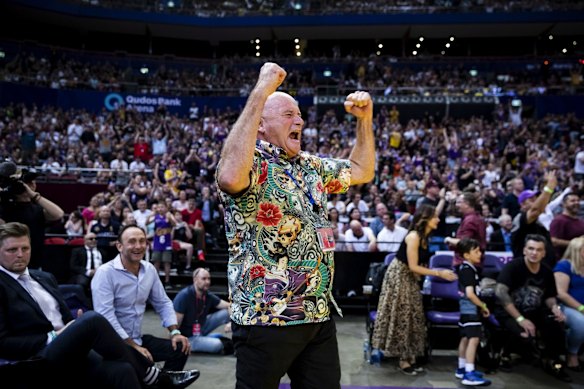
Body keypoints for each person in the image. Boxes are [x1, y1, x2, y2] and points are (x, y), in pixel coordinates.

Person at [216, 62, 375, 389]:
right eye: (288, 114)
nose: (299, 120)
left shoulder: (310, 166)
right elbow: (229, 177)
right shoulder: (253, 164)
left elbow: (362, 170)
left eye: (299, 114)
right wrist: (262, 90)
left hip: (317, 314)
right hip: (267, 316)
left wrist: (365, 121)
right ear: (261, 124)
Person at [0, 222, 199, 389]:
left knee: (124, 370)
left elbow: (163, 302)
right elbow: (3, 343)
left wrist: (74, 325)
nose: (20, 254)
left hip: (75, 347)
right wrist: (54, 336)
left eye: (25, 248)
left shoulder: (44, 277)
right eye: (12, 250)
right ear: (119, 246)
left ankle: (153, 376)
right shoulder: (2, 284)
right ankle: (155, 376)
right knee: (94, 319)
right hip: (37, 356)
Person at [91, 224, 194, 374]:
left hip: (137, 339)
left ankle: (163, 383)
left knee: (181, 348)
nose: (138, 246)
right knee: (140, 367)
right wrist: (133, 347)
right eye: (132, 241)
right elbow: (105, 316)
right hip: (113, 344)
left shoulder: (149, 269)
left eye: (142, 241)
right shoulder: (105, 273)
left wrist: (174, 332)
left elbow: (162, 302)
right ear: (119, 246)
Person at [371, 205, 457, 375]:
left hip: (410, 278)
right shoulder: (413, 236)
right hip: (400, 277)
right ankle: (404, 360)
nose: (438, 220)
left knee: (413, 316)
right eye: (435, 217)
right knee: (403, 316)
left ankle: (410, 356)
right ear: (425, 219)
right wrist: (440, 273)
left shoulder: (425, 236)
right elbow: (413, 266)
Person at [494, 234, 570, 382]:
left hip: (534, 310)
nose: (534, 253)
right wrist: (520, 319)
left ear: (544, 253)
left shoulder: (547, 272)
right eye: (531, 249)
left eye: (538, 250)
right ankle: (505, 354)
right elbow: (500, 293)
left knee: (556, 324)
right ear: (524, 250)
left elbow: (549, 297)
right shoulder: (513, 267)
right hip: (509, 312)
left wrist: (555, 308)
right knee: (524, 334)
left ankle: (552, 361)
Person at [0, 170, 64, 269]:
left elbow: (58, 214)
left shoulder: (37, 209)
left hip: (34, 260)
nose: (29, 185)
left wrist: (33, 195)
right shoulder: (5, 208)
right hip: (9, 261)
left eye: (32, 183)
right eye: (26, 183)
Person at [455, 238, 492, 386]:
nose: (480, 253)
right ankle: (469, 373)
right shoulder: (468, 270)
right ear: (466, 255)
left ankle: (462, 368)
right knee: (474, 339)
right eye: (476, 251)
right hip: (470, 309)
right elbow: (470, 293)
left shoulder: (466, 268)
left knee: (465, 338)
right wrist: (483, 306)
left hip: (465, 309)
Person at [173, 268, 232, 354]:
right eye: (204, 279)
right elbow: (174, 324)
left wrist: (231, 322)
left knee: (226, 313)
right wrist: (175, 340)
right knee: (217, 344)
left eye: (209, 279)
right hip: (187, 337)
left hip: (200, 328)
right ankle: (206, 340)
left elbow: (230, 306)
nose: (207, 282)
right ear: (195, 280)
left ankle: (238, 341)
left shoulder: (207, 295)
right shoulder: (184, 296)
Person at [510, 171, 558, 267]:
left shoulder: (537, 220)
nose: (536, 201)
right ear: (522, 204)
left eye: (537, 198)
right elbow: (536, 210)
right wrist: (549, 189)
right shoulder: (521, 217)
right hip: (526, 270)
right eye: (532, 200)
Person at [553, 237, 584, 372]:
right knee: (580, 323)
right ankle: (572, 353)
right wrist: (581, 308)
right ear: (577, 250)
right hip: (567, 306)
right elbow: (561, 293)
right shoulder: (564, 266)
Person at [444, 191, 487, 267]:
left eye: (459, 202)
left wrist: (449, 240)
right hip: (474, 262)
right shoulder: (477, 218)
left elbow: (465, 243)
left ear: (467, 204)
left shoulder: (470, 220)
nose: (457, 205)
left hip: (466, 262)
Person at [68, 231, 107, 297]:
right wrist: (88, 272)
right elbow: (73, 266)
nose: (94, 240)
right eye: (91, 239)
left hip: (100, 274)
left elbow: (107, 265)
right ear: (85, 241)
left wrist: (99, 271)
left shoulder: (102, 252)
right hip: (84, 273)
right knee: (81, 282)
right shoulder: (77, 251)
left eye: (95, 239)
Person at [550, 192, 584, 260]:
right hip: (566, 260)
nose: (576, 203)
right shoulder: (559, 220)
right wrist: (576, 244)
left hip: (580, 260)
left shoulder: (580, 221)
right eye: (572, 201)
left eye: (578, 200)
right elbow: (554, 241)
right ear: (564, 204)